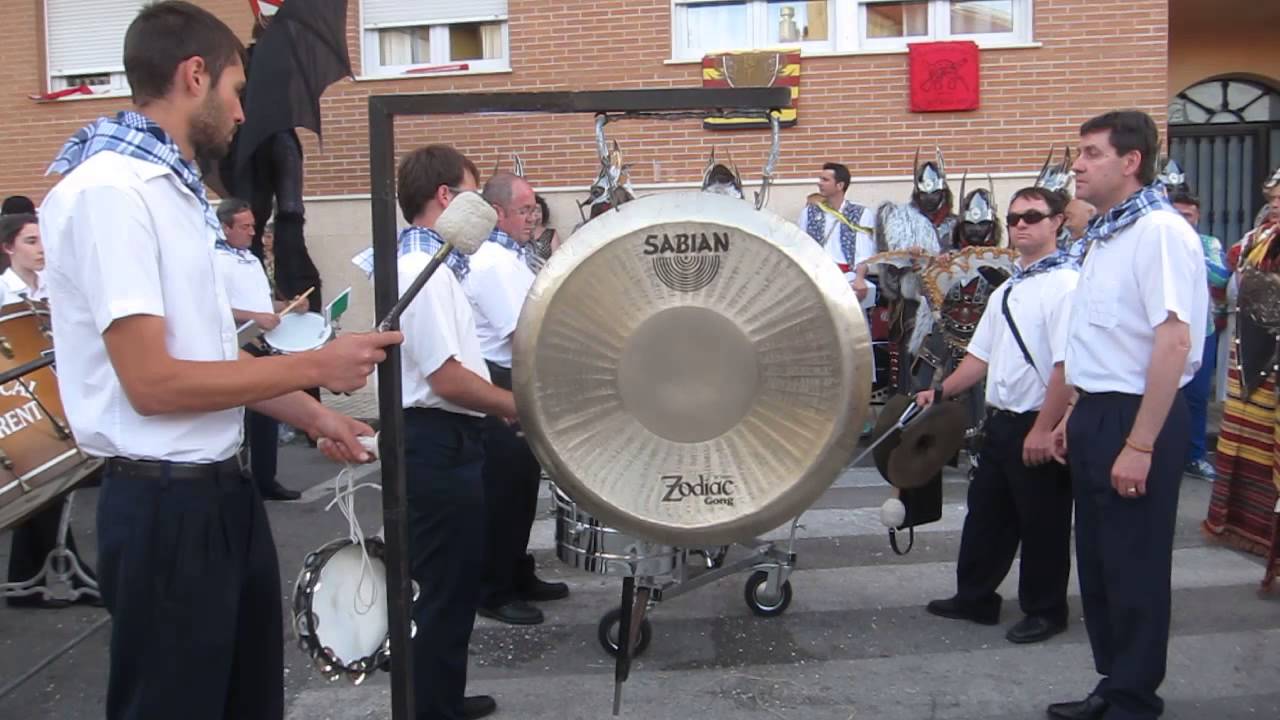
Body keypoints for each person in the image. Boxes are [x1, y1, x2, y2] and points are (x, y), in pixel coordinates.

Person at [38, 4, 399, 718]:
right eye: (235, 90)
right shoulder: (112, 192)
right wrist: (313, 365)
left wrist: (317, 414)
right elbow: (154, 383)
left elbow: (209, 360)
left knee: (247, 700)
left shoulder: (171, 191)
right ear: (193, 75)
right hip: (164, 506)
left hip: (215, 495)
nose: (242, 114)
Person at [1048, 110, 1207, 720]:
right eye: (1078, 155)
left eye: (1090, 153)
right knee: (1100, 560)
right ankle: (1113, 684)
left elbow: (1172, 342)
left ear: (1131, 160)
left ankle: (1135, 698)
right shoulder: (1108, 234)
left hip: (1138, 416)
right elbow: (1099, 341)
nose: (1077, 166)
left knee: (1134, 563)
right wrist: (1070, 415)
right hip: (1097, 413)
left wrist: (1139, 444)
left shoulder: (1159, 232)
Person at [386, 144, 514, 719]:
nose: (483, 205)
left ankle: (441, 697)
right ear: (445, 197)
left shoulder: (434, 265)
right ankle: (427, 708)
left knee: (453, 584)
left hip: (449, 442)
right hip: (434, 444)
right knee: (437, 591)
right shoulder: (421, 269)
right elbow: (447, 379)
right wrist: (517, 405)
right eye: (473, 191)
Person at [918, 186, 1077, 645]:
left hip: (1038, 420)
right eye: (1016, 217)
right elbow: (979, 358)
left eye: (1033, 215)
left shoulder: (1068, 285)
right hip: (1001, 420)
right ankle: (976, 597)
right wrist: (939, 392)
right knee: (986, 515)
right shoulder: (1007, 287)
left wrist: (1046, 428)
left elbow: (1067, 366)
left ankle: (1046, 610)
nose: (1022, 224)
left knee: (1042, 522)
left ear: (1057, 222)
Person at [466, 172, 568, 627]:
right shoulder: (491, 261)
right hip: (500, 376)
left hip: (515, 373)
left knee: (523, 485)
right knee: (505, 489)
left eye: (535, 209)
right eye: (525, 210)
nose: (534, 217)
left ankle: (518, 571)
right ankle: (493, 587)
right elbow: (522, 332)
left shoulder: (513, 257)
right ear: (498, 213)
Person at [0, 212, 100, 608]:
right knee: (47, 481)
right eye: (30, 241)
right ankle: (53, 575)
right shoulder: (3, 293)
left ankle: (33, 578)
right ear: (8, 248)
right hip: (22, 399)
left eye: (43, 240)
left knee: (55, 485)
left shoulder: (51, 288)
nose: (41, 249)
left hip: (59, 388)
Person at [1202, 170, 1280, 588]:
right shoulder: (1255, 240)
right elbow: (1228, 279)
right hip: (1254, 354)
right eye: (1274, 197)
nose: (1276, 204)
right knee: (1257, 449)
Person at [215, 198, 304, 501]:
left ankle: (266, 480)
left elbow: (263, 305)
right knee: (237, 413)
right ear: (225, 228)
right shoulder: (213, 261)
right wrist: (253, 317)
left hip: (263, 340)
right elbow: (215, 308)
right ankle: (233, 479)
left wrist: (288, 305)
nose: (253, 232)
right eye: (245, 226)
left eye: (253, 225)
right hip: (236, 345)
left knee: (267, 414)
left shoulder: (252, 260)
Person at [1168, 190, 1228, 481]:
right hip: (1164, 330)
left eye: (1188, 216)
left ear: (1197, 216)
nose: (1182, 221)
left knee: (1196, 397)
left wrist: (1190, 250)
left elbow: (1221, 276)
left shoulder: (1207, 243)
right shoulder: (1160, 242)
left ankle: (1194, 455)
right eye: (1176, 215)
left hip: (1201, 331)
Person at [797, 162, 876, 302]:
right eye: (820, 179)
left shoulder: (860, 213)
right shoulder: (808, 213)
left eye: (825, 180)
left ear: (840, 185)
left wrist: (859, 279)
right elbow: (801, 248)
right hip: (816, 279)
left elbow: (864, 252)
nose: (819, 183)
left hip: (847, 279)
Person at [528, 193, 559, 264]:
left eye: (538, 211)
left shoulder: (551, 234)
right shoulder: (521, 233)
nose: (535, 214)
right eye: (532, 211)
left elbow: (557, 260)